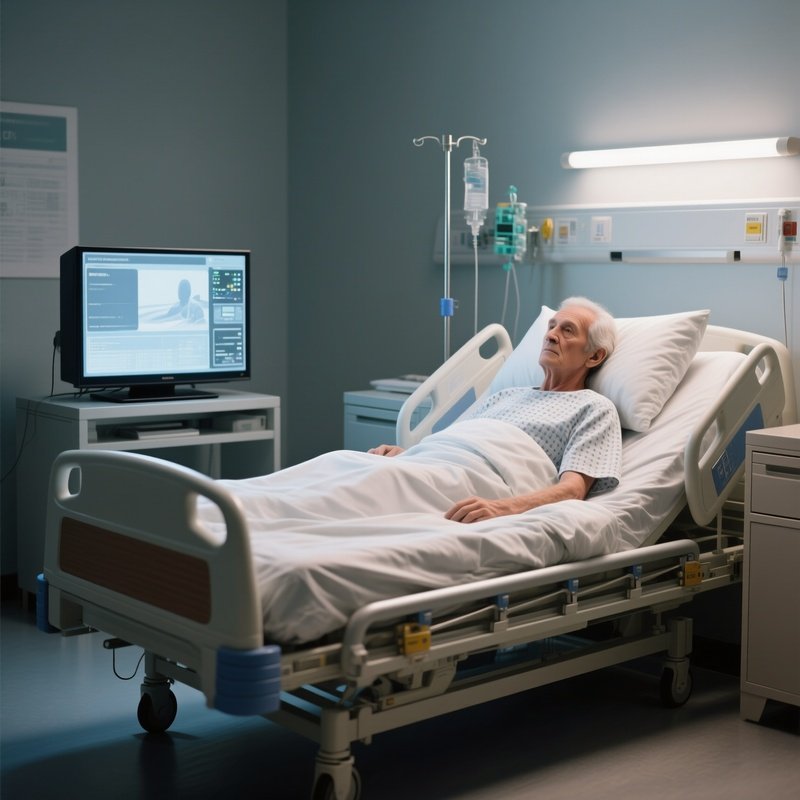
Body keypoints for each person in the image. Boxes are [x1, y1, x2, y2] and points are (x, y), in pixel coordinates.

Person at [369, 297, 621, 523]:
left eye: (567, 331)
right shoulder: (506, 395)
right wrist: (409, 453)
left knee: (364, 489)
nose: (551, 335)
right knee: (343, 467)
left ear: (595, 356)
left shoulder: (593, 408)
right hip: (434, 466)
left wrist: (503, 508)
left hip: (474, 480)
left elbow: (573, 490)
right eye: (551, 326)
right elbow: (456, 443)